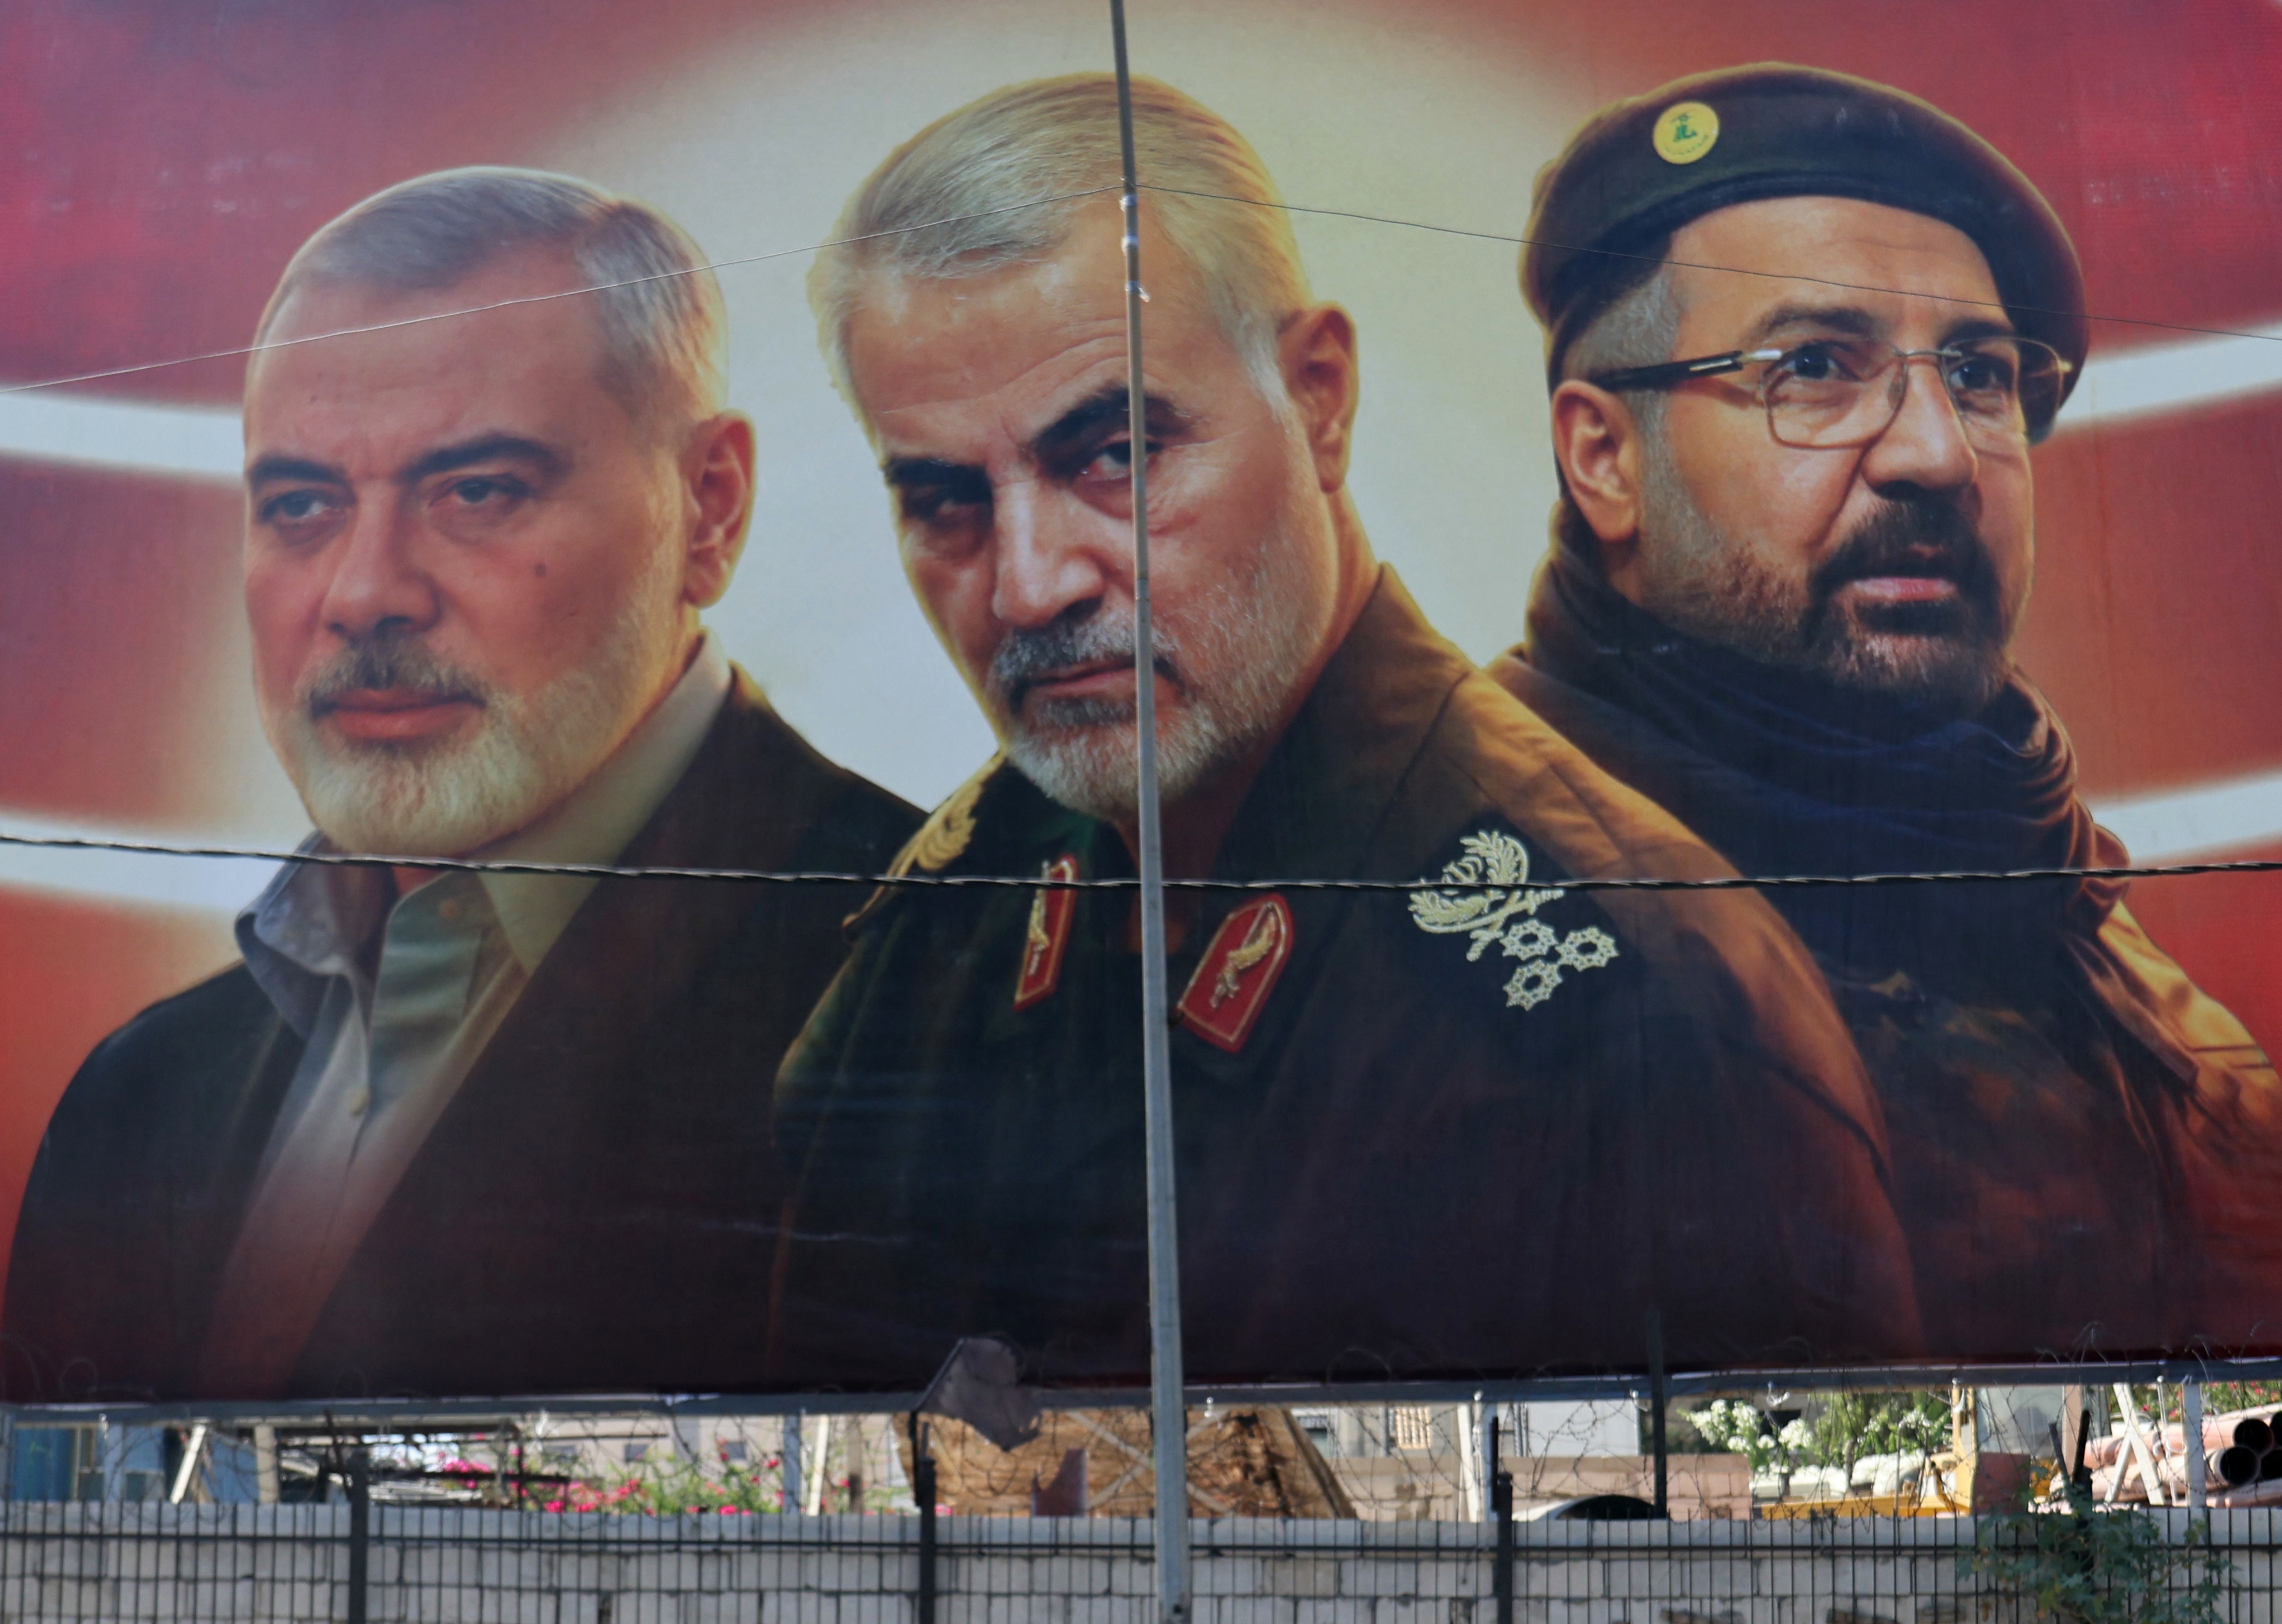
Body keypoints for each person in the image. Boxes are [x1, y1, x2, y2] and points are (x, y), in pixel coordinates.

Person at [766, 76, 1917, 1389]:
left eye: (1115, 452)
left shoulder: (1647, 1006)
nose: (1030, 584)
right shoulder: (925, 945)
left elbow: (1776, 1564)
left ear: (1319, 399)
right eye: (945, 499)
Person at [4, 169, 920, 1398]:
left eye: (477, 490)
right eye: (301, 503)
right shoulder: (142, 1097)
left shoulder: (939, 984)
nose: (365, 590)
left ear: (710, 508)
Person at [1492, 64, 2282, 1358]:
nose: (1935, 453)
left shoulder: (2162, 1030)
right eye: (1816, 368)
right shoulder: (1455, 921)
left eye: (1981, 373)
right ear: (1604, 456)